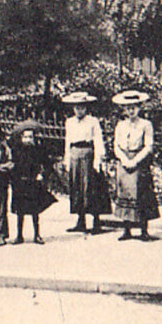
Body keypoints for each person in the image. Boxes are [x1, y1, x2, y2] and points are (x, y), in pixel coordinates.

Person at [111, 90, 160, 241]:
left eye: (134, 107)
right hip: (124, 162)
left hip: (139, 161)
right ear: (124, 109)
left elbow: (148, 146)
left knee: (141, 194)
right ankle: (127, 230)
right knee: (125, 193)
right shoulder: (121, 125)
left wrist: (135, 161)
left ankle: (144, 231)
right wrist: (124, 160)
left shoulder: (146, 124)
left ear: (140, 108)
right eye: (128, 107)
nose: (131, 111)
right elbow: (116, 145)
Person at [62, 91, 110, 234]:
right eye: (76, 107)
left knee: (91, 186)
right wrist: (67, 159)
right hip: (75, 154)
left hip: (88, 153)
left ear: (86, 107)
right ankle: (80, 221)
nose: (79, 110)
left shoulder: (93, 121)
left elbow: (98, 140)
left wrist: (98, 159)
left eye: (82, 107)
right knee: (77, 187)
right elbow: (68, 141)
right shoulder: (69, 122)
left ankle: (96, 222)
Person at [8, 124, 55, 244]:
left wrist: (42, 174)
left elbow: (48, 164)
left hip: (33, 182)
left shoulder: (38, 150)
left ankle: (37, 235)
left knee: (35, 210)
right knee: (20, 210)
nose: (28, 140)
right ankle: (19, 235)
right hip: (20, 182)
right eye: (26, 137)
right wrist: (13, 178)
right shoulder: (16, 150)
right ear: (21, 138)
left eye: (30, 137)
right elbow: (11, 165)